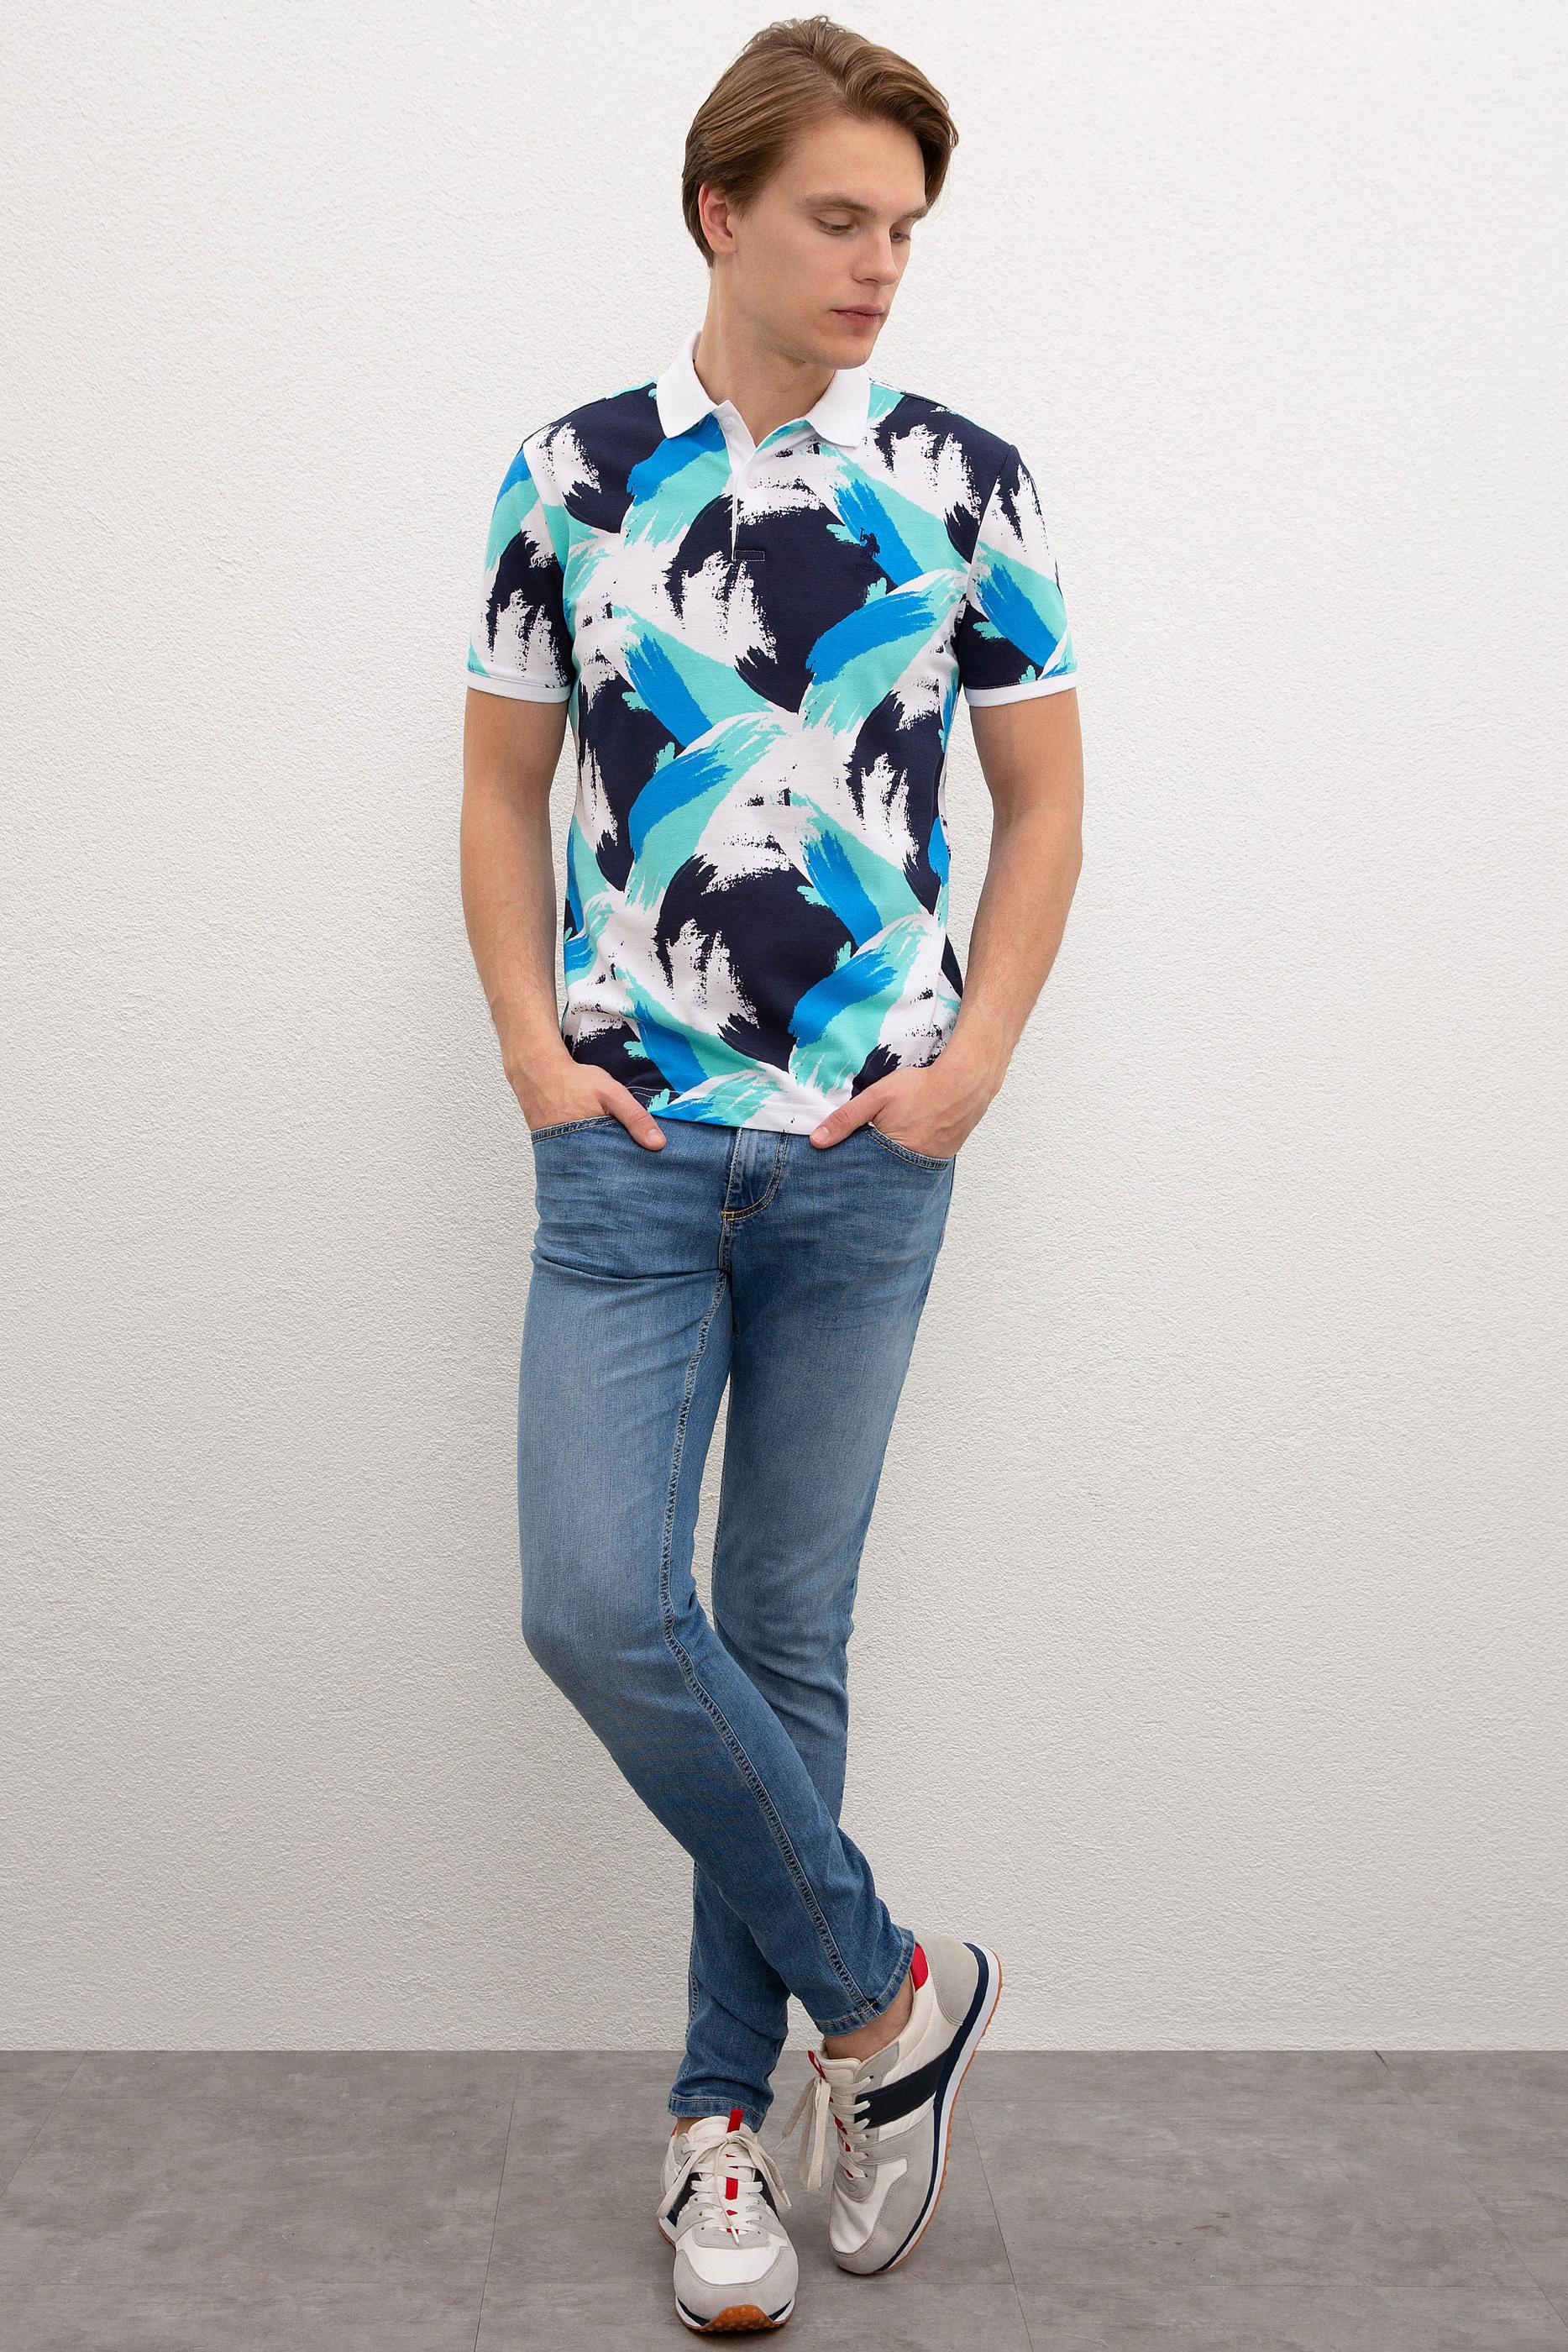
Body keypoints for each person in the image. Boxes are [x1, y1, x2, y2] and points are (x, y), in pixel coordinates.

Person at [460, 15, 1083, 2334]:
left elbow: (1048, 800)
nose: (879, 263)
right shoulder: (571, 475)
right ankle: (889, 1992)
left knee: (785, 1634)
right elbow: (498, 786)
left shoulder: (966, 482)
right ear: (718, 211)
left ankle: (721, 2125)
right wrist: (532, 1055)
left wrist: (970, 1066)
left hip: (864, 1152)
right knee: (598, 1607)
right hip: (627, 1152)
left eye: (903, 227)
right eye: (838, 216)